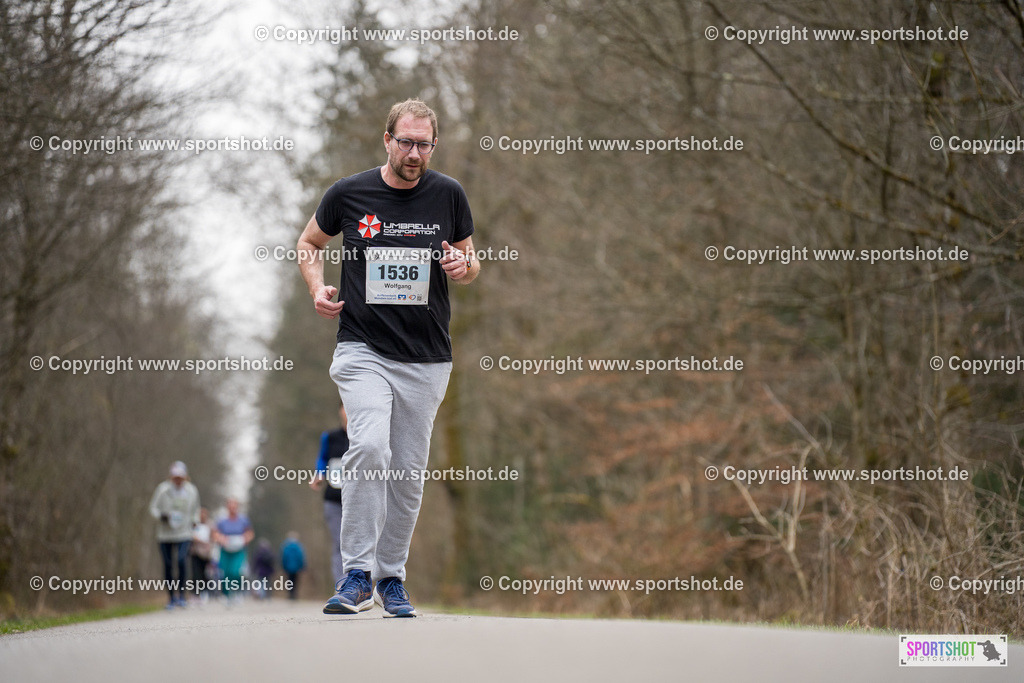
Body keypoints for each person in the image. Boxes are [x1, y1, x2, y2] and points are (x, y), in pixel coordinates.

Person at [297, 98, 479, 617]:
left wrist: (462, 266)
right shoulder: (349, 193)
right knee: (370, 446)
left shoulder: (448, 194)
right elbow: (309, 243)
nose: (414, 153)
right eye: (406, 142)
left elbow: (471, 262)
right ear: (387, 140)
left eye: (424, 144)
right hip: (363, 349)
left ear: (434, 145)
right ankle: (356, 574)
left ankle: (391, 577)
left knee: (408, 470)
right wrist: (317, 288)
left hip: (426, 357)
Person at [149, 461, 200, 609]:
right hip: (165, 534)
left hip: (184, 533)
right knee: (168, 564)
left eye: (180, 477)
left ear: (185, 477)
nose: (178, 480)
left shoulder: (192, 491)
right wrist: (161, 516)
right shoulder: (162, 490)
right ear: (171, 477)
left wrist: (195, 521)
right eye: (175, 477)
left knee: (182, 560)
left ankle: (182, 595)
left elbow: (196, 509)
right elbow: (153, 508)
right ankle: (171, 597)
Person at [309, 402, 348, 586]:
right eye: (344, 407)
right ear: (340, 411)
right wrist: (319, 474)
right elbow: (323, 458)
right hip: (333, 499)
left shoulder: (365, 437)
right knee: (340, 542)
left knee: (358, 543)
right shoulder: (329, 437)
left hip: (359, 500)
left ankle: (361, 584)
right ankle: (342, 585)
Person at [213, 498, 254, 601]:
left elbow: (250, 533)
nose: (232, 508)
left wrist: (245, 539)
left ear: (237, 507)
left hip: (239, 550)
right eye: (230, 505)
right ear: (227, 507)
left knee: (236, 572)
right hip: (225, 550)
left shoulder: (243, 520)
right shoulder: (222, 520)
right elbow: (215, 533)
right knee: (225, 572)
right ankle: (226, 594)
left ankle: (236, 591)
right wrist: (220, 538)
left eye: (234, 506)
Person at [190, 507, 214, 602]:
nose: (202, 515)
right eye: (201, 513)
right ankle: (195, 594)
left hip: (206, 554)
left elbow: (213, 538)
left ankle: (204, 592)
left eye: (204, 513)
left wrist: (210, 547)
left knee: (205, 575)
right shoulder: (194, 524)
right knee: (196, 574)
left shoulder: (210, 525)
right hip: (195, 553)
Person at [280, 532, 307, 601]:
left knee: (289, 580)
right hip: (296, 568)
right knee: (295, 580)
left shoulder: (286, 546)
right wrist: (302, 566)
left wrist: (283, 566)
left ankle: (290, 593)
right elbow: (301, 557)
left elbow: (284, 557)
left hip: (288, 567)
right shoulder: (298, 547)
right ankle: (294, 593)